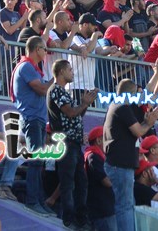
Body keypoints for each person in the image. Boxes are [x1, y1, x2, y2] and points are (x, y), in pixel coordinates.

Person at [103, 78, 158, 231]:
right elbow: (138, 131)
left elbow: (148, 95)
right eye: (137, 92)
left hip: (121, 165)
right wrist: (149, 122)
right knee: (125, 206)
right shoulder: (121, 107)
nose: (139, 96)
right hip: (120, 165)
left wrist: (157, 74)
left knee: (127, 205)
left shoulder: (119, 105)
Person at [47, 59, 98, 229]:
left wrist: (85, 104)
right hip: (65, 143)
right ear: (61, 71)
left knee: (80, 182)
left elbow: (75, 116)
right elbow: (69, 113)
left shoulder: (62, 92)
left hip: (73, 144)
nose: (72, 72)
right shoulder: (56, 91)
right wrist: (83, 103)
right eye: (70, 69)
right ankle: (69, 218)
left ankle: (80, 216)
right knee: (68, 181)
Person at [11, 36, 55, 216]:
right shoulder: (27, 66)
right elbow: (42, 89)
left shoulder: (32, 68)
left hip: (36, 118)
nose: (45, 52)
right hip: (31, 118)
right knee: (35, 161)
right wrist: (56, 80)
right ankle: (32, 200)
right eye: (44, 49)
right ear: (37, 49)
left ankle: (38, 200)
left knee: (39, 162)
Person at [84, 126, 117, 231]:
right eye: (106, 138)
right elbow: (107, 182)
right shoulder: (93, 157)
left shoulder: (99, 156)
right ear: (98, 140)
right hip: (102, 210)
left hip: (105, 209)